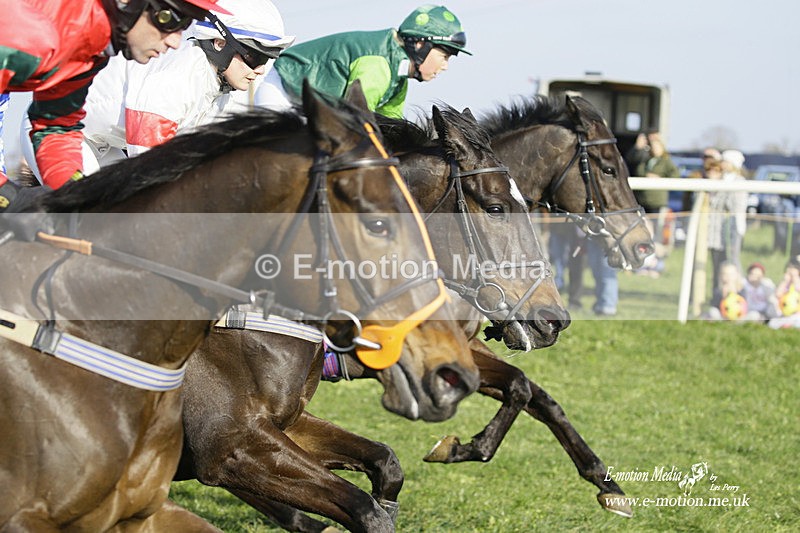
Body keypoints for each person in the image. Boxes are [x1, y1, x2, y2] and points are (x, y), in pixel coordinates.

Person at [0, 0, 231, 211]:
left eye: (185, 25)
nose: (175, 41)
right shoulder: (34, 32)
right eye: (169, 20)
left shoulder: (91, 47)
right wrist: (8, 194)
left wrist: (77, 194)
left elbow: (56, 127)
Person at [21, 0, 293, 176]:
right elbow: (150, 168)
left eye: (268, 59)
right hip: (64, 137)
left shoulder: (219, 88)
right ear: (220, 43)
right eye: (255, 57)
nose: (259, 70)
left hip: (105, 143)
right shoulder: (179, 75)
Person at [254, 4, 470, 118]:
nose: (445, 66)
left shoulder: (399, 79)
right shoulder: (378, 65)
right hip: (283, 91)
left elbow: (392, 125)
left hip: (311, 107)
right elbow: (356, 118)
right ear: (422, 45)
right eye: (444, 56)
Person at [626, 132, 680, 214]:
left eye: (657, 147)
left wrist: (660, 179)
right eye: (653, 146)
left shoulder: (666, 161)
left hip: (657, 201)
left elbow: (675, 175)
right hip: (642, 199)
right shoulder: (645, 159)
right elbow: (632, 162)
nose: (655, 149)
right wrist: (637, 148)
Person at [720, 149, 748, 273]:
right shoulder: (723, 178)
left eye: (726, 162)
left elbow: (737, 205)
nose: (722, 164)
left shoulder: (739, 181)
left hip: (735, 224)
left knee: (733, 257)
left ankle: (739, 285)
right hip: (723, 223)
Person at [767, 260, 800, 329]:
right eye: (789, 268)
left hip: (797, 314)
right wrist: (785, 281)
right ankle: (786, 325)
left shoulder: (797, 281)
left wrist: (795, 277)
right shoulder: (784, 282)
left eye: (794, 268)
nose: (791, 270)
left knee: (797, 323)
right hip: (784, 313)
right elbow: (778, 294)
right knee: (772, 324)